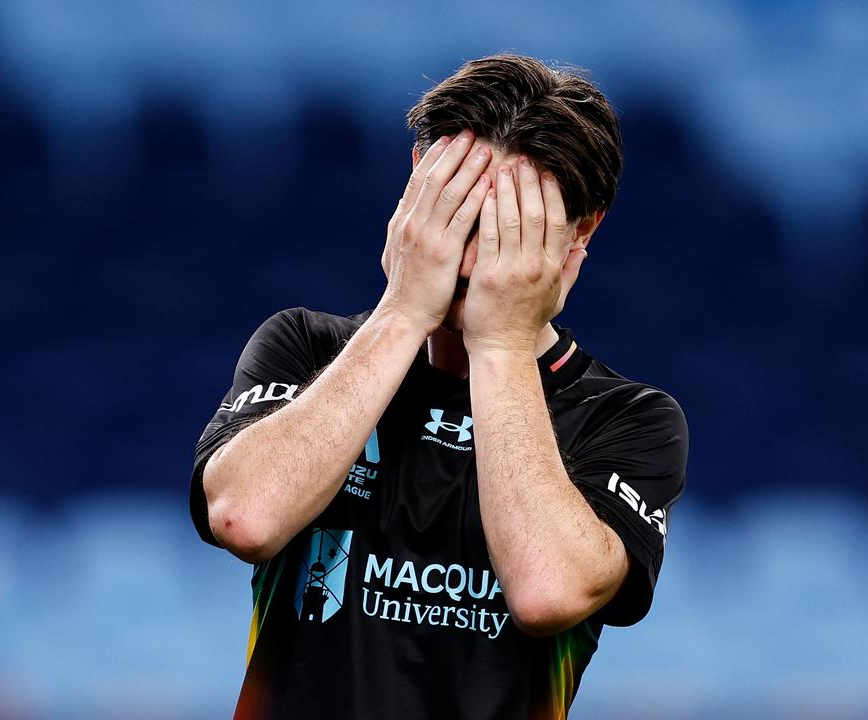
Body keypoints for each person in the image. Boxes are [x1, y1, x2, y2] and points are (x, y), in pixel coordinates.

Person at [190, 53, 689, 720]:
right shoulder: (306, 347)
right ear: (415, 184)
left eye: (515, 223)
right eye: (459, 206)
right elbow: (244, 517)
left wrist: (503, 340)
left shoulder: (630, 419)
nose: (473, 252)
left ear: (582, 228)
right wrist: (403, 311)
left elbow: (547, 590)